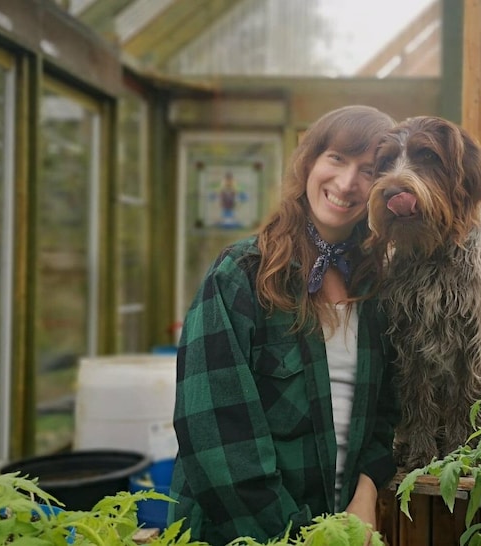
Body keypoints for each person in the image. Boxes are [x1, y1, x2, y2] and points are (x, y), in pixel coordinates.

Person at [169, 105, 399, 544]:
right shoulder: (242, 274)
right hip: (243, 535)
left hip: (342, 528)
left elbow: (387, 413)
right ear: (309, 162)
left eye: (368, 171)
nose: (348, 183)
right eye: (336, 158)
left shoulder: (377, 290)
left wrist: (365, 495)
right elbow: (218, 440)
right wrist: (298, 537)